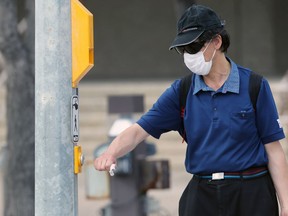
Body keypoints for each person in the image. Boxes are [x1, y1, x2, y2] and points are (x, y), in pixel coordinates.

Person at [94, 4, 288, 216]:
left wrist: (286, 204)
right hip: (202, 195)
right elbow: (139, 130)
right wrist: (111, 153)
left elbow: (273, 149)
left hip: (252, 193)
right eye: (183, 49)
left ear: (216, 41)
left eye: (194, 47)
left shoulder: (255, 86)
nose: (188, 55)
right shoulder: (182, 91)